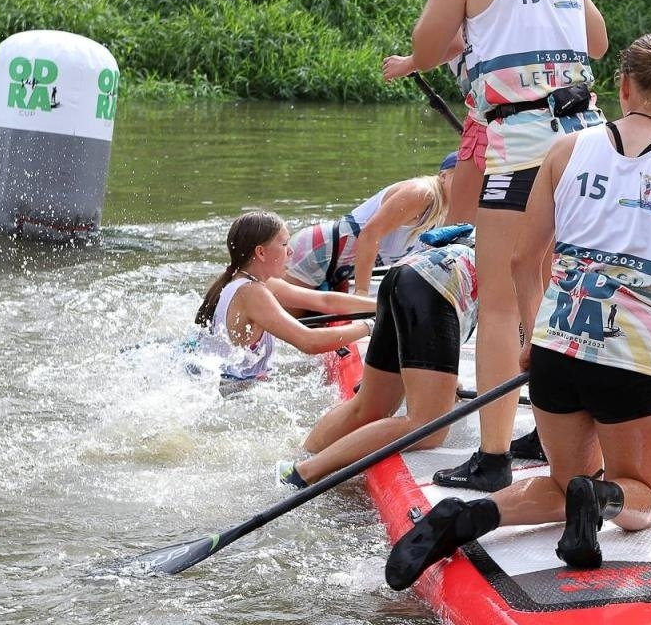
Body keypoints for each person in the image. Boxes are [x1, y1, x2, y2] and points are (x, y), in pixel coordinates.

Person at [383, 33, 651, 591]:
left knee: (562, 481)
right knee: (646, 498)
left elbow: (524, 259)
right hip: (631, 363)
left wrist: (533, 335)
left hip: (556, 349)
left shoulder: (565, 150)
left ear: (622, 87)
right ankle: (600, 498)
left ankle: (466, 516)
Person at [382, 0, 609, 493]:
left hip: (523, 147)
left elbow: (427, 48)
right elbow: (596, 43)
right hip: (586, 145)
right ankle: (555, 427)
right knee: (551, 287)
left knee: (503, 299)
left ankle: (492, 456)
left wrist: (416, 45)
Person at [277, 235, 477, 489]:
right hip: (435, 288)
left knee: (369, 407)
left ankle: (294, 461)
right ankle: (304, 471)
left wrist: (445, 380)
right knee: (428, 427)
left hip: (405, 275)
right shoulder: (525, 253)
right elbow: (499, 333)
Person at [388, 0, 486, 225]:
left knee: (462, 218)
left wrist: (410, 62)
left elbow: (453, 43)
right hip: (487, 105)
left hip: (491, 109)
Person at [195, 210, 374, 379]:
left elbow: (325, 301)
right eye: (284, 244)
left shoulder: (255, 282)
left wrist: (381, 305)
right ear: (261, 252)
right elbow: (309, 342)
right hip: (234, 390)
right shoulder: (252, 292)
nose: (291, 251)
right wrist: (370, 325)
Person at [284, 155, 455, 300]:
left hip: (341, 270)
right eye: (460, 177)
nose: (466, 185)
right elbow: (370, 234)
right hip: (318, 252)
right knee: (282, 325)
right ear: (443, 176)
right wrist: (362, 294)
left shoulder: (445, 210)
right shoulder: (423, 193)